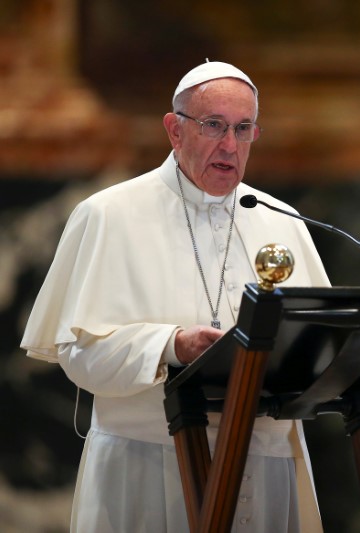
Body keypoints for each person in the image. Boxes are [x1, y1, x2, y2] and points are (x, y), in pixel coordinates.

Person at [20, 61, 328, 532]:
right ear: (174, 129)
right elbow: (79, 353)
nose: (230, 145)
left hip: (264, 461)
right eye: (213, 126)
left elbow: (319, 342)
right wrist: (171, 346)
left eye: (243, 129)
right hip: (147, 464)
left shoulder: (281, 219)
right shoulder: (109, 215)